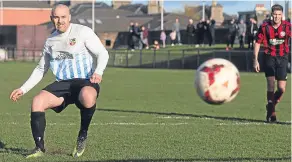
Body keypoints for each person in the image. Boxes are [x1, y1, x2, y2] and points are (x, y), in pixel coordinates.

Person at [9, 4, 109, 158]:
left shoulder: (82, 32)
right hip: (62, 84)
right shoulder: (50, 41)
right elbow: (41, 69)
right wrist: (23, 89)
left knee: (88, 96)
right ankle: (39, 148)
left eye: (63, 17)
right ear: (51, 19)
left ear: (69, 18)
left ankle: (83, 134)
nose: (60, 20)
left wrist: (98, 72)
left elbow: (102, 53)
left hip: (85, 81)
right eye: (56, 17)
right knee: (37, 101)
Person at [253, 4, 291, 122]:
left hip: (283, 57)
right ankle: (272, 113)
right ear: (271, 14)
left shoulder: (287, 26)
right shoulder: (265, 27)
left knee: (281, 89)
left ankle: (270, 105)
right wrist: (255, 59)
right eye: (275, 14)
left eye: (279, 15)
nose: (277, 17)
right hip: (269, 57)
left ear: (282, 15)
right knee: (270, 84)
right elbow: (258, 42)